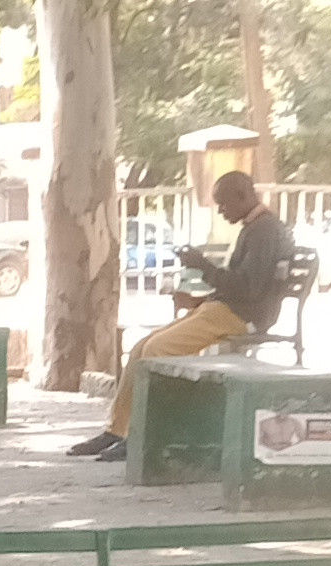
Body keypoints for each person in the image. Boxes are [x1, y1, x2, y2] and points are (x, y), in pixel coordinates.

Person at [68, 172, 291, 458]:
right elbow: (241, 286)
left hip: (241, 316)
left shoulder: (265, 231)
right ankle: (117, 430)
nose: (221, 211)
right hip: (223, 309)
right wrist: (200, 299)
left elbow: (248, 289)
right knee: (140, 348)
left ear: (243, 196)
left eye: (224, 204)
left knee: (157, 350)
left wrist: (203, 266)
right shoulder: (255, 228)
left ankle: (144, 435)